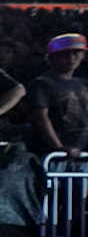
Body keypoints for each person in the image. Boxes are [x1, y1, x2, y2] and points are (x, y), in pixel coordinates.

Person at [27, 33, 88, 161]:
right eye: (64, 54)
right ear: (51, 58)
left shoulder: (83, 84)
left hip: (80, 151)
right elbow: (41, 118)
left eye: (76, 53)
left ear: (83, 55)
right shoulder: (42, 83)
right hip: (53, 154)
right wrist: (58, 147)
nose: (71, 58)